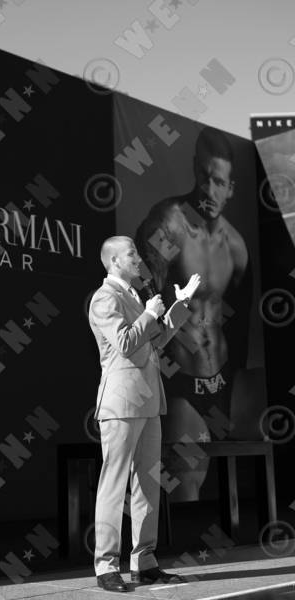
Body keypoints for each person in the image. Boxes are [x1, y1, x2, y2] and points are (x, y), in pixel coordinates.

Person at [135, 126, 252, 502]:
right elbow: (140, 295)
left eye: (219, 182)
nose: (209, 189)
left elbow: (240, 324)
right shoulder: (170, 223)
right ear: (194, 169)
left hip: (221, 382)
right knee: (185, 485)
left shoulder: (236, 248)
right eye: (204, 176)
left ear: (231, 188)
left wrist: (236, 384)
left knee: (227, 487)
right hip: (179, 379)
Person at [88, 235, 200, 592]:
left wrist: (180, 305)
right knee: (114, 484)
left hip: (149, 401)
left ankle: (144, 562)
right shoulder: (105, 297)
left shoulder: (135, 297)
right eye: (132, 254)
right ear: (114, 261)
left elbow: (155, 341)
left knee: (147, 484)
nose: (138, 259)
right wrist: (150, 313)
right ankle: (106, 566)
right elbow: (124, 343)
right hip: (121, 403)